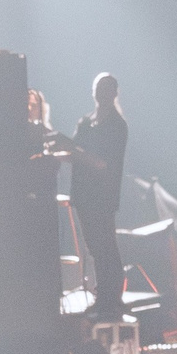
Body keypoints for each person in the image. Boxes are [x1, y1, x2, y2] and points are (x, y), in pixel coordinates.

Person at [59, 72, 129, 324]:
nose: (101, 93)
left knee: (105, 246)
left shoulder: (116, 126)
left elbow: (102, 163)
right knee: (94, 248)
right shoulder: (86, 123)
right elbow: (73, 152)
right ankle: (104, 297)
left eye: (106, 89)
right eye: (98, 88)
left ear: (114, 93)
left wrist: (76, 152)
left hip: (102, 195)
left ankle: (112, 298)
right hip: (84, 193)